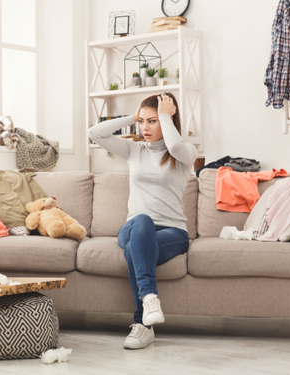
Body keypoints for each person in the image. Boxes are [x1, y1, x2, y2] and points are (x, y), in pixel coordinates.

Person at [87, 93, 197, 350]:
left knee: (137, 251)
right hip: (134, 226)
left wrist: (166, 117)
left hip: (173, 232)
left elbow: (176, 146)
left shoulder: (184, 155)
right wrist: (131, 116)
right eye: (142, 122)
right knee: (142, 222)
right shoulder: (133, 149)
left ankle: (142, 326)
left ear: (168, 121)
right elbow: (95, 132)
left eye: (153, 121)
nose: (145, 128)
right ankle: (149, 298)